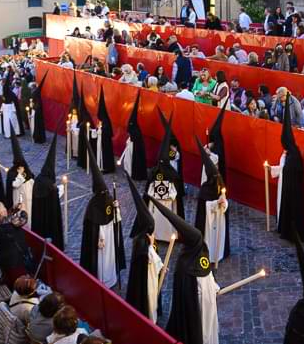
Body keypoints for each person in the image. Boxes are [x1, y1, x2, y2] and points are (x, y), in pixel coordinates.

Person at [148, 191, 220, 344]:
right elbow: (185, 296)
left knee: (208, 328)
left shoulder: (201, 253)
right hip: (196, 306)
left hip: (208, 302)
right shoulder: (183, 265)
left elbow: (208, 275)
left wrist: (213, 286)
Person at [80, 142, 126, 289]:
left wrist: (116, 208)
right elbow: (110, 220)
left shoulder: (96, 203)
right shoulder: (103, 200)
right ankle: (105, 279)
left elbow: (113, 219)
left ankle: (106, 278)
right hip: (105, 237)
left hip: (107, 236)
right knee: (104, 259)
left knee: (106, 259)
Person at [123, 173, 163, 323]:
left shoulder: (146, 239)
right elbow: (150, 260)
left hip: (151, 275)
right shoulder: (141, 244)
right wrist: (152, 249)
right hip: (146, 281)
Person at [268, 94, 304, 242]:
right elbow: (284, 169)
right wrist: (272, 168)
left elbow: (288, 170)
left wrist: (276, 170)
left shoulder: (294, 157)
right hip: (286, 188)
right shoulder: (289, 154)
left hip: (292, 191)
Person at [195, 139, 229, 265]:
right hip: (207, 224)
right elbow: (204, 207)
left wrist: (223, 202)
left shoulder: (220, 184)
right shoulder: (205, 189)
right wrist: (216, 203)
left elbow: (225, 203)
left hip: (219, 221)